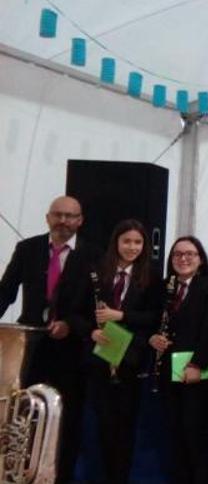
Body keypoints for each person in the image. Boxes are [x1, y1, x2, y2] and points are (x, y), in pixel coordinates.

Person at [0, 195, 98, 481]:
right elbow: (5, 292)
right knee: (24, 419)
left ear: (80, 221)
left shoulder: (94, 255)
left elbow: (96, 308)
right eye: (58, 215)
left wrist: (71, 324)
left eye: (70, 216)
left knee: (66, 422)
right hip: (29, 349)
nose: (63, 221)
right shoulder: (27, 249)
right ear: (47, 218)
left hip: (71, 352)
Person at [77, 220, 159, 484]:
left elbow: (154, 317)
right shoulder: (97, 272)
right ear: (116, 243)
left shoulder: (151, 276)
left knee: (125, 429)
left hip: (130, 359)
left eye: (138, 242)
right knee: (101, 426)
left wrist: (120, 314)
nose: (132, 247)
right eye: (127, 241)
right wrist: (91, 332)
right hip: (100, 356)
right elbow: (76, 312)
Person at [151, 237, 208, 484]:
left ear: (200, 258)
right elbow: (151, 320)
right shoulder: (164, 287)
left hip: (199, 373)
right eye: (177, 255)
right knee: (175, 437)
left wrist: (197, 364)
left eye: (190, 254)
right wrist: (153, 338)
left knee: (195, 437)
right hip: (168, 372)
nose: (183, 259)